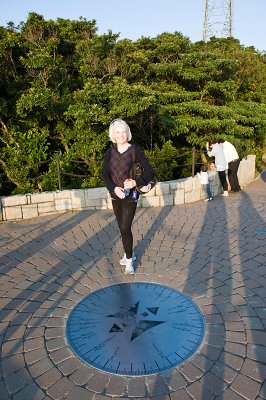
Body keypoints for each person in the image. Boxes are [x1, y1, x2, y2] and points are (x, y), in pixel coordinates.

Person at [102, 119, 155, 275]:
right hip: (115, 195)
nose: (121, 135)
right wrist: (113, 188)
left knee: (125, 227)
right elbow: (104, 174)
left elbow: (150, 172)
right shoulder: (109, 153)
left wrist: (134, 183)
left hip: (131, 196)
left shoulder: (134, 151)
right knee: (122, 227)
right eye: (117, 132)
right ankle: (127, 253)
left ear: (128, 133)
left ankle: (130, 260)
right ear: (113, 135)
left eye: (123, 131)